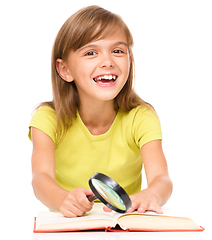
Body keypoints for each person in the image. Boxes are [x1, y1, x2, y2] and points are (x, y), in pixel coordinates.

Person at [29, 5, 173, 218]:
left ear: (129, 60)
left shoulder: (141, 117)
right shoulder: (47, 119)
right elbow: (40, 179)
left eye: (117, 51)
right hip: (67, 224)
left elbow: (162, 179)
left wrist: (151, 194)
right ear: (64, 70)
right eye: (91, 52)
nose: (108, 62)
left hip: (126, 221)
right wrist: (63, 200)